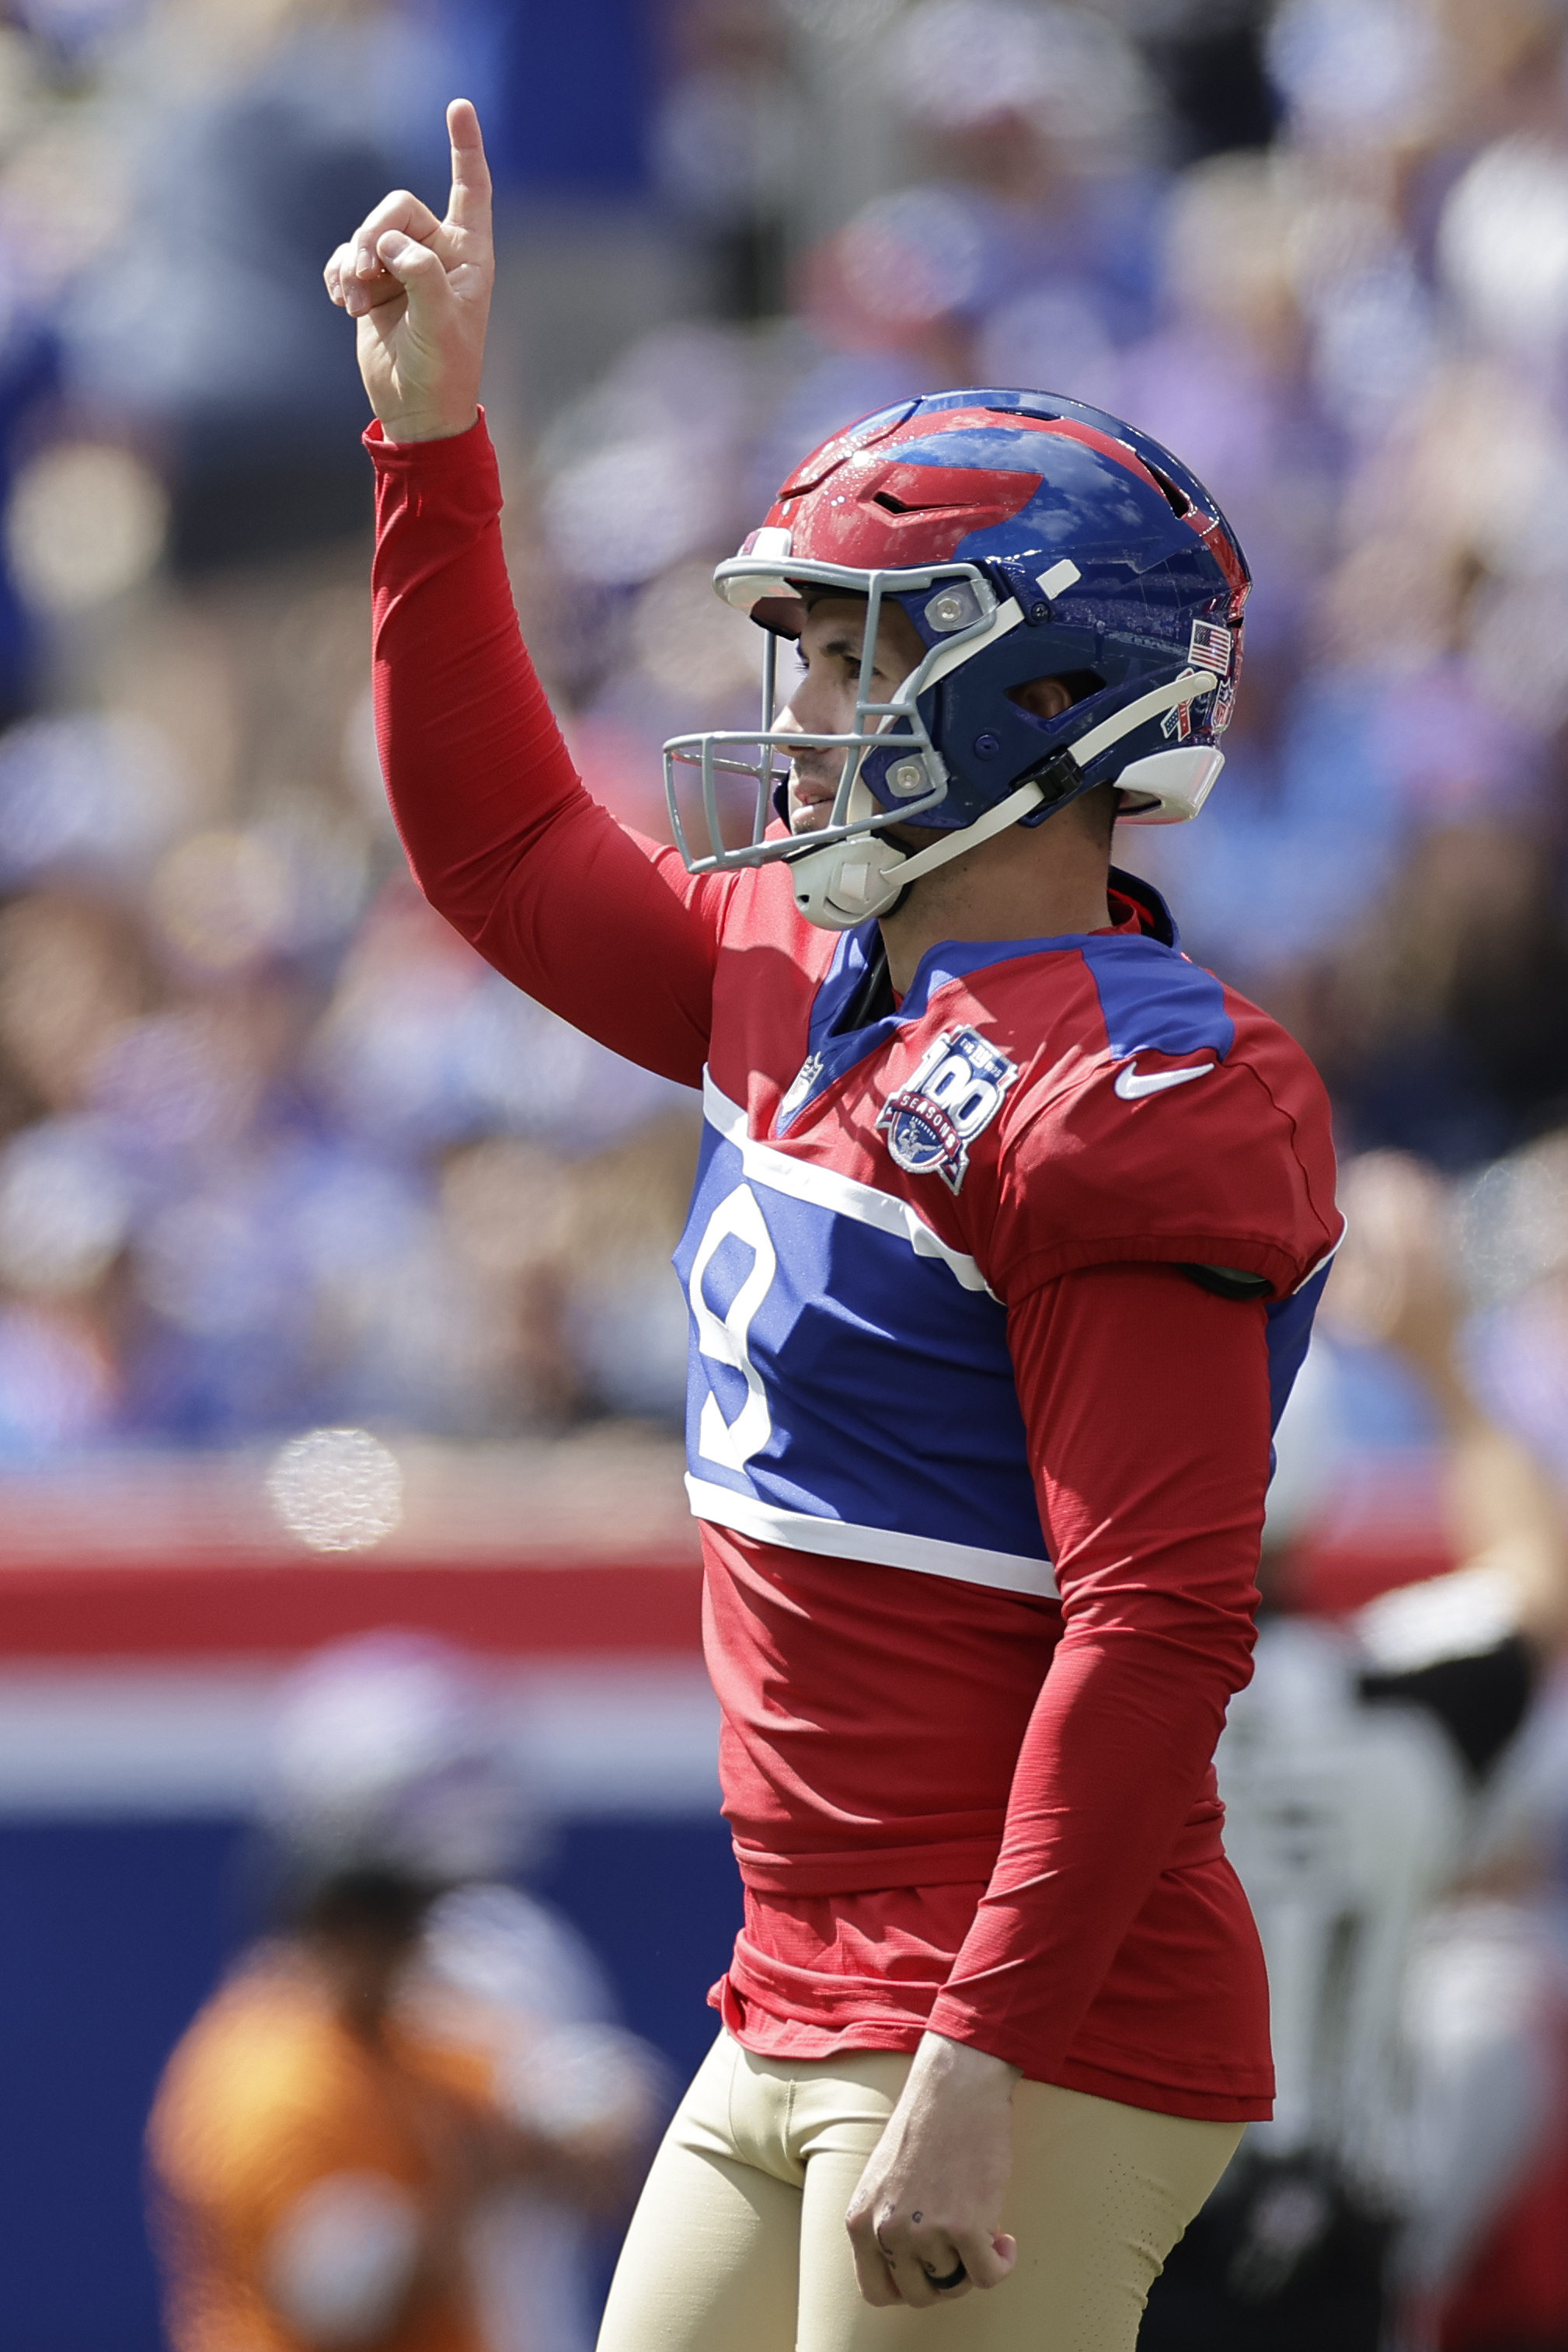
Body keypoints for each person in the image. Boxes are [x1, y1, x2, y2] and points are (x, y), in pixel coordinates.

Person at [323, 103, 1342, 2352]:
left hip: (1018, 2008)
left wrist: (979, 2056)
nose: (798, 717)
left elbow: (1157, 1623)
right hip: (798, 1975)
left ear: (1044, 694)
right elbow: (496, 848)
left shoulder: (1139, 1083)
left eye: (859, 653)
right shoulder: (792, 966)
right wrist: (435, 445)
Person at [147, 1634, 663, 2352]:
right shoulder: (269, 2076)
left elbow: (557, 2103)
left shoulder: (397, 2038)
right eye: (397, 1922)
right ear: (338, 1927)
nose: (419, 1941)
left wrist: (575, 2116)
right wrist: (480, 2181)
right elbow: (338, 2301)